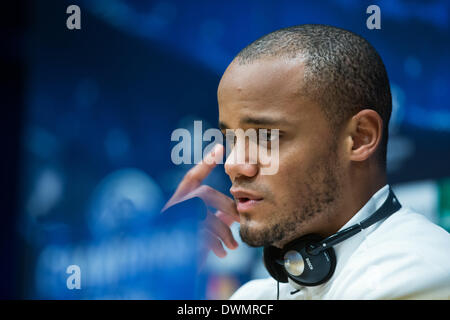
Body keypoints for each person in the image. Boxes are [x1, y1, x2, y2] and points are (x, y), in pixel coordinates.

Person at [162, 24, 450, 299]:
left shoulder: (417, 272)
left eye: (265, 136)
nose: (233, 164)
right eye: (232, 139)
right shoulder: (255, 295)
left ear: (361, 138)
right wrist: (172, 257)